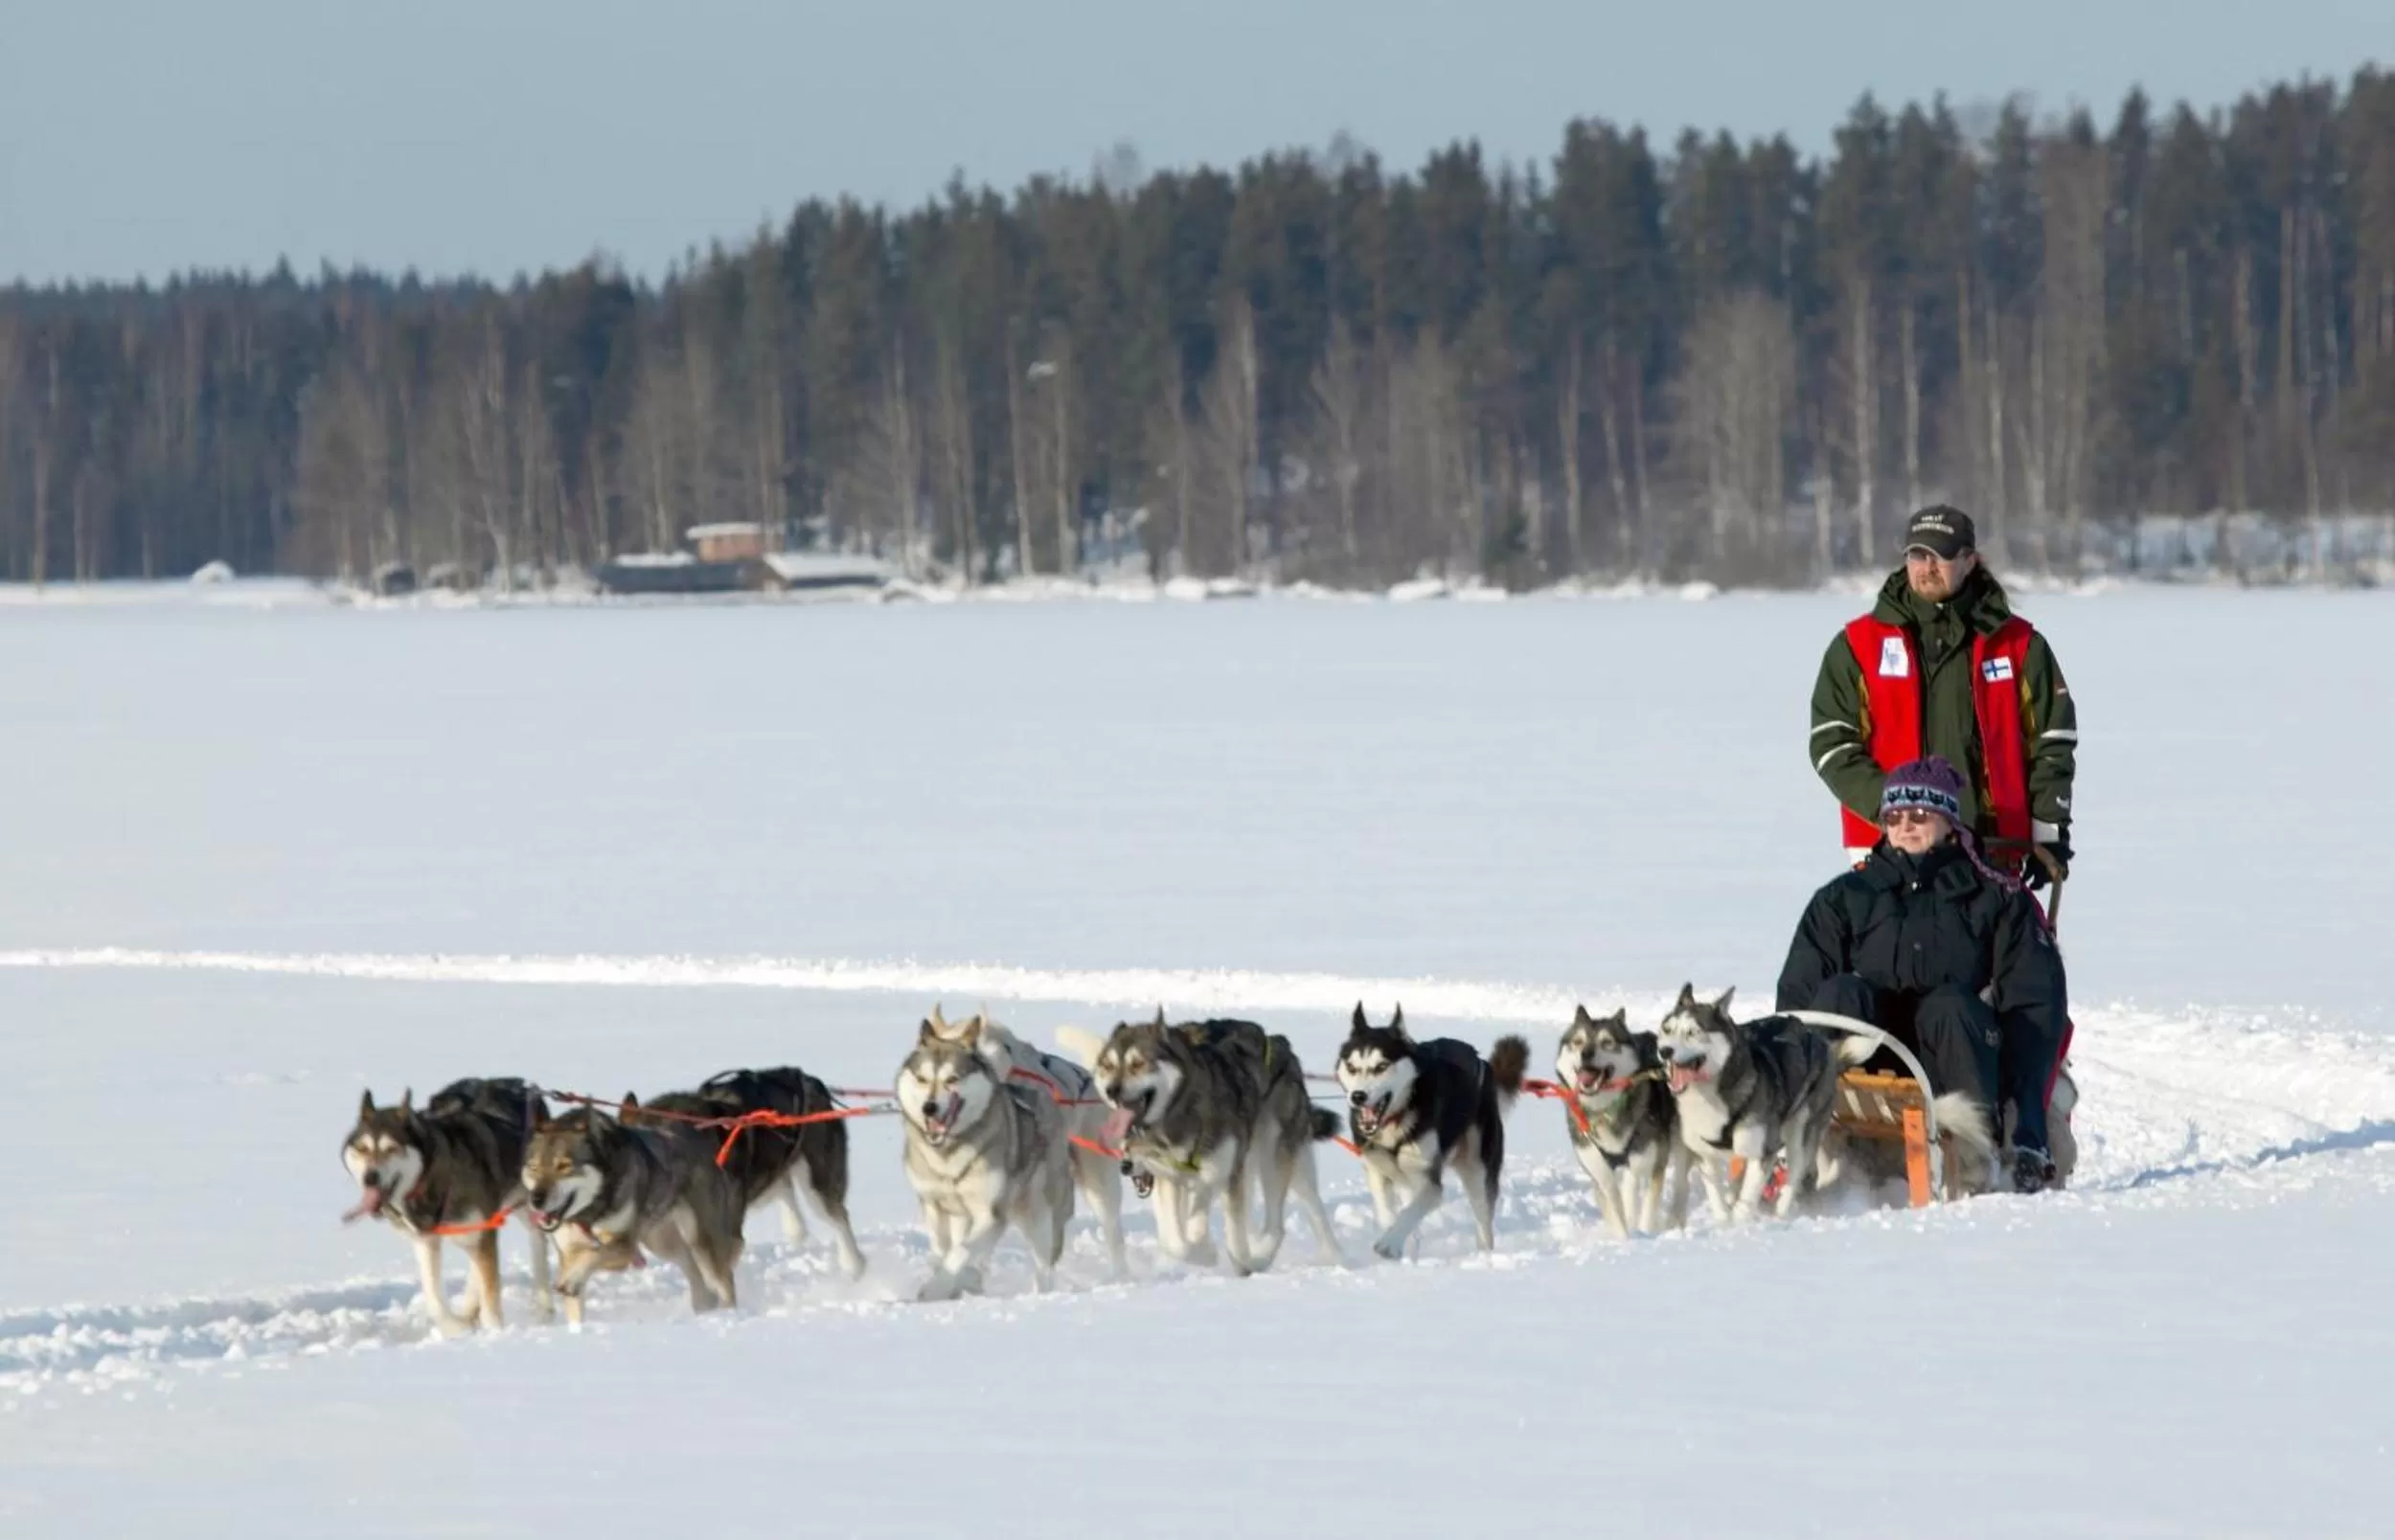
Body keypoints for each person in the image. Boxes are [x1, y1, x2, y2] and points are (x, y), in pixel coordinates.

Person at [1775, 756, 2067, 1194]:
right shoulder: (1845, 896)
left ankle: (1973, 1162)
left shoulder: (1997, 898)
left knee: (1948, 1004)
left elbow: (2035, 1008)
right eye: (1894, 816)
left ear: (1949, 821)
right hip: (1868, 1063)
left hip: (1958, 1059)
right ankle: (1801, 1147)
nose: (1906, 826)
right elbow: (1798, 996)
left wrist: (2027, 1127)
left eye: (1920, 815)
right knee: (1839, 994)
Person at [1808, 505, 2078, 884]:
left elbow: (2053, 741)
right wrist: (1897, 812)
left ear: (1969, 561)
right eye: (1917, 554)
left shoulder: (2019, 645)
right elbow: (1831, 745)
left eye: (1941, 555)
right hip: (1889, 855)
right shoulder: (1857, 646)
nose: (1927, 566)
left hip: (1994, 850)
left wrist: (2048, 832)